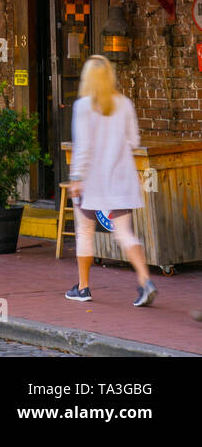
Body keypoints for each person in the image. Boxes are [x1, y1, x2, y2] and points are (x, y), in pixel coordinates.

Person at [66, 55, 157, 307]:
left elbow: (82, 148)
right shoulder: (125, 104)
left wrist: (76, 177)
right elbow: (134, 141)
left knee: (85, 233)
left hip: (92, 179)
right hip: (120, 177)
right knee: (124, 233)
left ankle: (83, 287)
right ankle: (145, 280)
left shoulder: (83, 106)